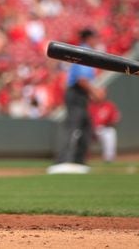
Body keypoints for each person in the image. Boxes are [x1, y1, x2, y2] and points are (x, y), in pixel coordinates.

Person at [51, 28, 105, 171]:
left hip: (80, 93)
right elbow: (81, 80)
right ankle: (63, 161)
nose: (97, 41)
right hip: (76, 93)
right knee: (72, 127)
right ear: (88, 39)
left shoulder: (86, 51)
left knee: (85, 127)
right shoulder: (84, 52)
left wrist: (92, 93)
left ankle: (78, 160)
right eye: (95, 38)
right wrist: (95, 93)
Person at [89, 91, 120, 163]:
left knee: (110, 132)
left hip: (104, 128)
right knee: (78, 134)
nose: (99, 96)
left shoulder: (109, 105)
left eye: (101, 94)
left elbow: (115, 119)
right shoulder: (90, 105)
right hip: (90, 129)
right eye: (97, 94)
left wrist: (110, 123)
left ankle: (108, 158)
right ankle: (79, 157)